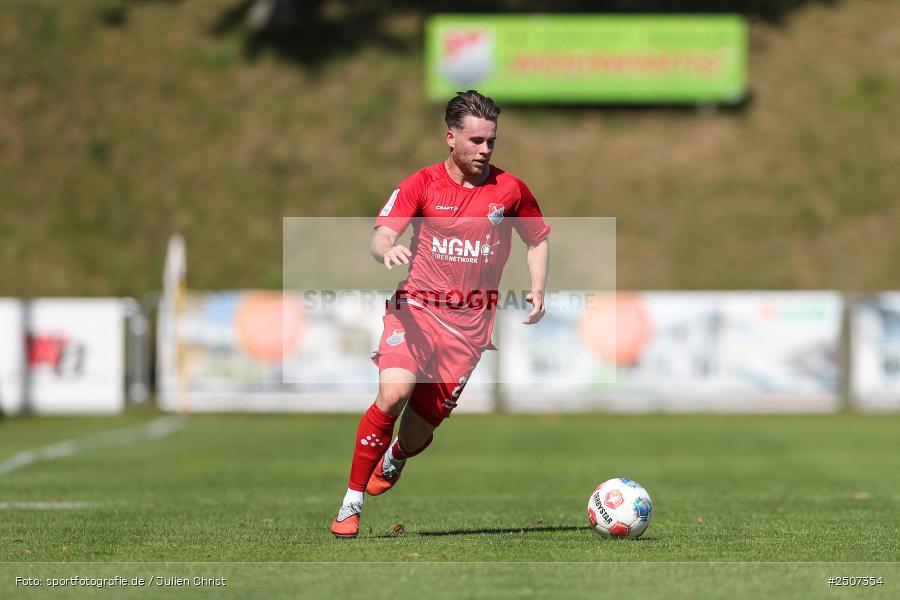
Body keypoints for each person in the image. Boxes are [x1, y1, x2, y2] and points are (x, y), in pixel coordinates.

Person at [331, 90, 551, 538]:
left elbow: (538, 238)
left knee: (414, 435)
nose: (485, 150)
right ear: (450, 138)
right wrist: (387, 248)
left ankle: (395, 457)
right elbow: (381, 235)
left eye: (491, 140)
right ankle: (349, 504)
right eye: (475, 141)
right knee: (393, 394)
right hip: (415, 311)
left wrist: (537, 287)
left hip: (468, 331)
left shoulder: (510, 190)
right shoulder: (421, 183)